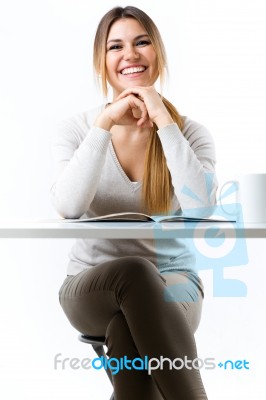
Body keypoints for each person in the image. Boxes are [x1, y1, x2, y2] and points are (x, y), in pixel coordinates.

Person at [51, 6, 217, 400]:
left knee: (130, 336)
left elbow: (201, 208)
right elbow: (69, 206)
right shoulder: (77, 130)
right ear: (101, 60)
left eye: (142, 42)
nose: (130, 54)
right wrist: (105, 124)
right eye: (116, 46)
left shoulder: (191, 133)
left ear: (157, 52)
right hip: (90, 285)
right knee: (135, 273)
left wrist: (164, 120)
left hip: (175, 286)